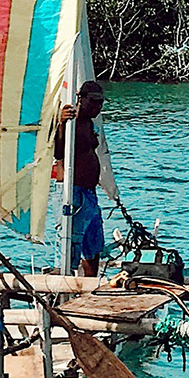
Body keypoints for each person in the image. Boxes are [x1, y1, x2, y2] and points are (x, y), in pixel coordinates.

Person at [52, 79, 114, 276]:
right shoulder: (70, 122)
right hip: (72, 192)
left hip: (89, 193)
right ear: (80, 98)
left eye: (101, 102)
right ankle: (64, 282)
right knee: (70, 241)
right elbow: (57, 151)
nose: (98, 106)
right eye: (94, 101)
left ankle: (89, 287)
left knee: (93, 245)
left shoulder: (90, 125)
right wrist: (61, 123)